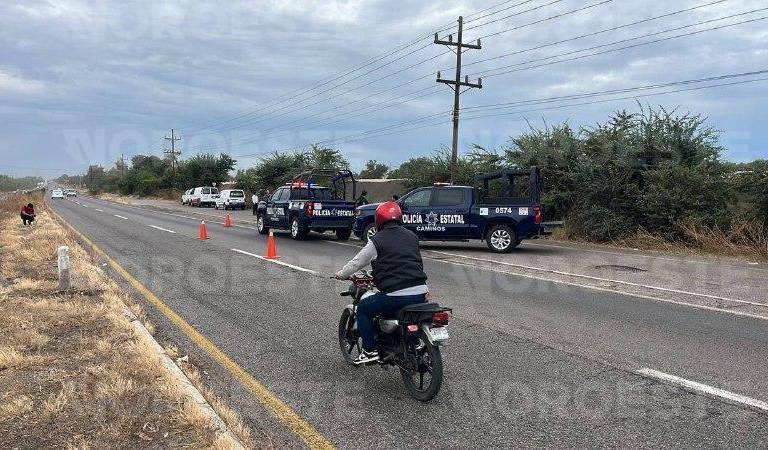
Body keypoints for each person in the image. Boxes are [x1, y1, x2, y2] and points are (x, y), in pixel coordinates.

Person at [335, 201, 428, 364]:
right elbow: (416, 263)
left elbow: (357, 263)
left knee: (363, 309)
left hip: (395, 294)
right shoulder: (412, 236)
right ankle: (411, 344)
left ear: (378, 220)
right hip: (421, 292)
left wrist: (342, 274)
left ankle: (369, 350)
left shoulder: (377, 240)